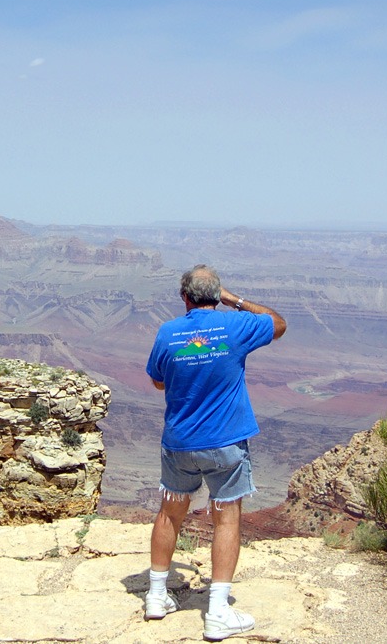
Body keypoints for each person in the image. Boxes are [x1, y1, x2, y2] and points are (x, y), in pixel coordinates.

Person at [143, 264, 287, 641]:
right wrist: (235, 300)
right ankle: (218, 613)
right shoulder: (236, 327)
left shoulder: (168, 332)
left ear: (185, 298)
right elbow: (278, 323)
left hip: (179, 443)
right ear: (216, 296)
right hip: (225, 442)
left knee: (171, 512)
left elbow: (159, 380)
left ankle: (156, 598)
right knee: (226, 519)